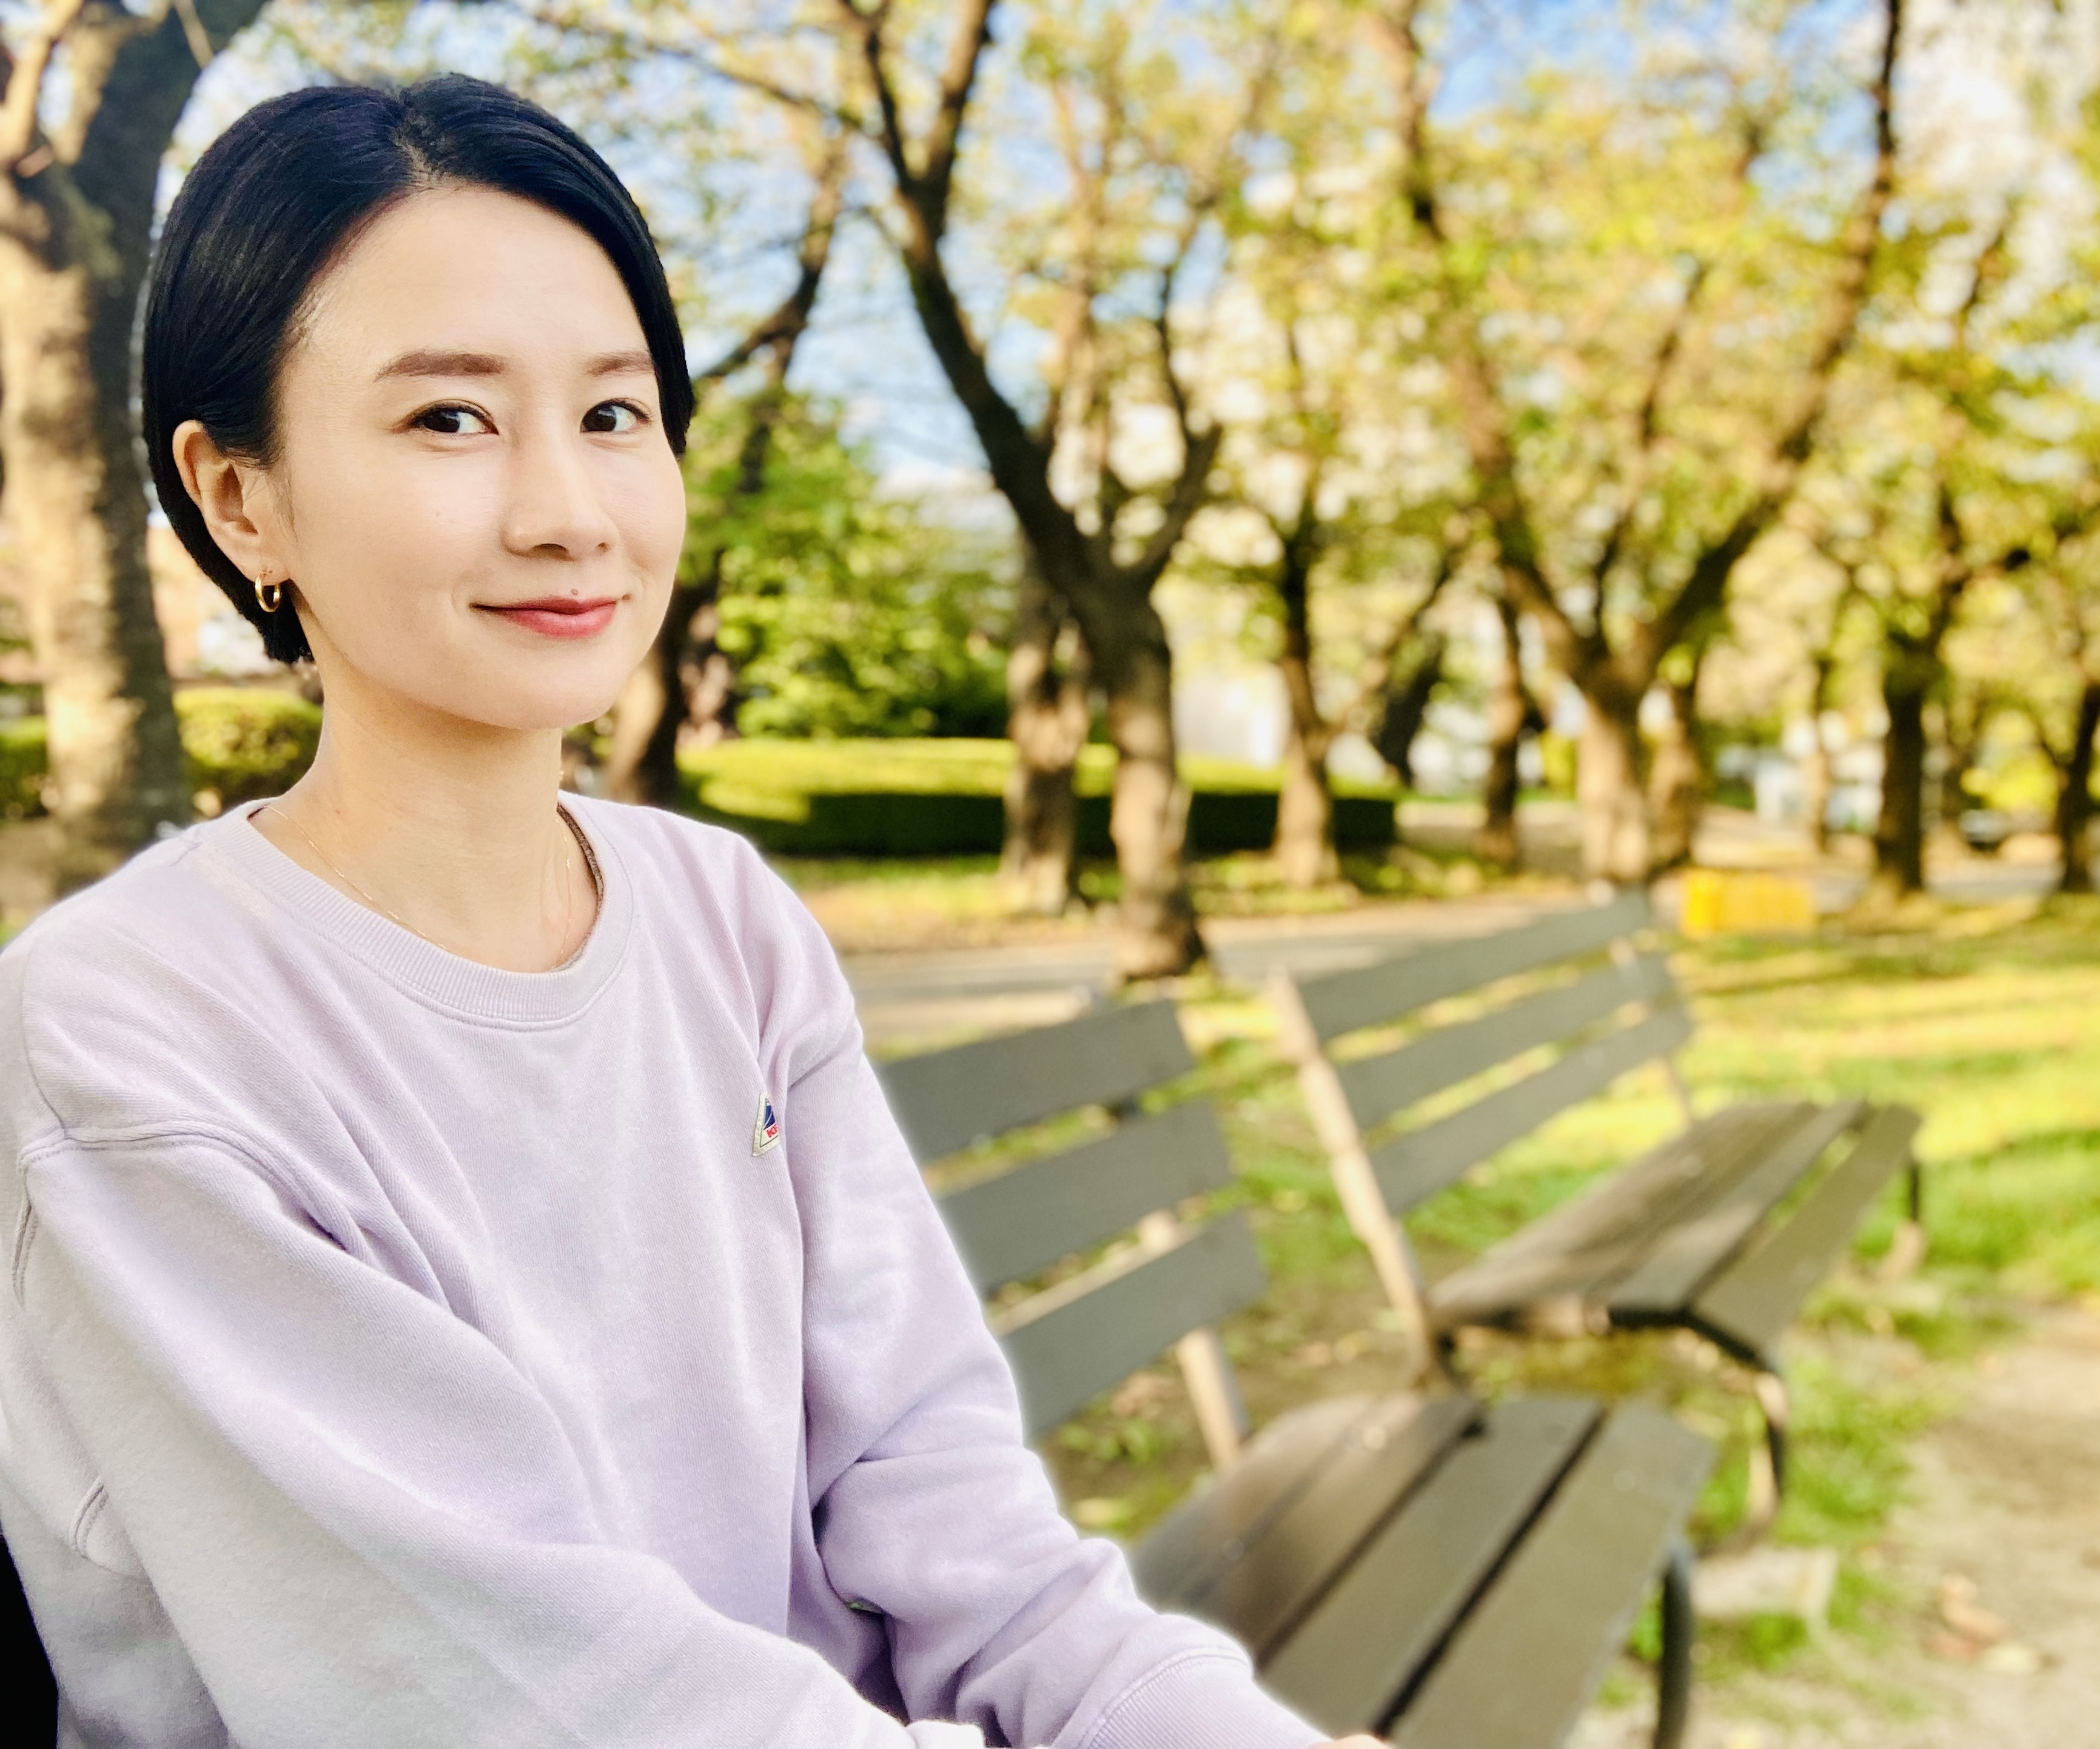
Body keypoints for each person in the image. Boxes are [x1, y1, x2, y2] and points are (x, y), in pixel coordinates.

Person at [0, 77, 1376, 1749]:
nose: (569, 510)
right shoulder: (127, 1036)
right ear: (238, 497)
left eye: (614, 412)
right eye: (449, 419)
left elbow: (953, 1523)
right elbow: (538, 1704)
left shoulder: (718, 912)